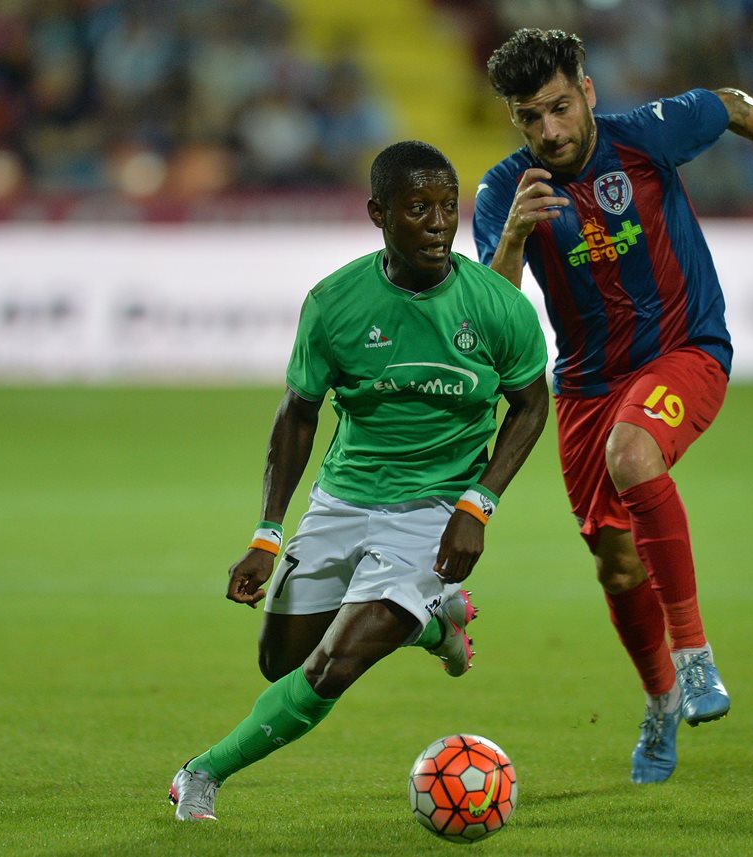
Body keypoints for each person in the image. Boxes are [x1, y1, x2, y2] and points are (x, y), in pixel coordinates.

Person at [472, 28, 753, 784]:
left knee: (634, 451)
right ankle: (660, 698)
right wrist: (513, 235)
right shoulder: (504, 192)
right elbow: (496, 322)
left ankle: (696, 655)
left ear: (586, 91)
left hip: (685, 351)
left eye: (557, 107)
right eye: (528, 117)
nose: (548, 130)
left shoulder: (646, 138)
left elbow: (732, 104)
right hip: (584, 385)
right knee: (615, 566)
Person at [169, 140, 549, 821]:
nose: (437, 223)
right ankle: (433, 627)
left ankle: (200, 773)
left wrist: (478, 502)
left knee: (330, 668)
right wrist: (265, 532)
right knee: (282, 664)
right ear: (378, 212)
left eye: (446, 207)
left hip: (436, 511)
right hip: (343, 498)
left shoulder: (498, 307)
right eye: (417, 208)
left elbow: (531, 404)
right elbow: (297, 415)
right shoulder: (335, 303)